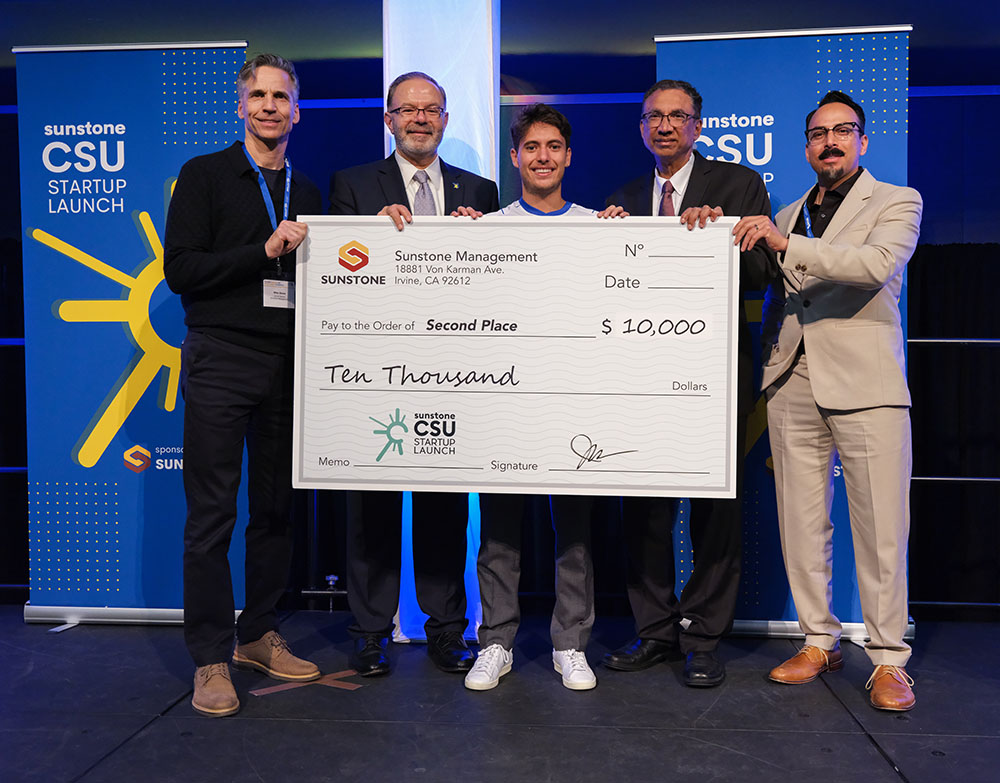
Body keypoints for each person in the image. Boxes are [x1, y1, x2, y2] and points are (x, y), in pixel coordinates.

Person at [733, 90, 922, 711]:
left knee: (881, 528)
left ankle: (890, 657)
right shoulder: (786, 211)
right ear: (807, 145)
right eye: (818, 134)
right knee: (801, 522)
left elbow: (873, 265)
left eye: (843, 131)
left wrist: (787, 245)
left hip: (867, 386)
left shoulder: (897, 201)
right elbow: (782, 303)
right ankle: (820, 639)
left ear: (863, 142)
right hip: (793, 384)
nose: (831, 142)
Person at [602, 79, 776, 687]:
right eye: (654, 117)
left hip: (717, 373)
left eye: (678, 116)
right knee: (644, 511)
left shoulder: (739, 184)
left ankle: (702, 635)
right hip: (640, 378)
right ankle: (653, 631)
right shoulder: (623, 196)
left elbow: (763, 273)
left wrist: (725, 230)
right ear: (642, 126)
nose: (666, 126)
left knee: (714, 510)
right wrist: (603, 240)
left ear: (698, 126)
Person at [164, 53, 322, 717]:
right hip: (222, 357)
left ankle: (257, 632)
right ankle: (210, 658)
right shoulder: (205, 175)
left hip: (291, 364)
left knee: (278, 508)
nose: (268, 106)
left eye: (279, 96)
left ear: (295, 107)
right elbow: (182, 271)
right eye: (257, 95)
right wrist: (262, 251)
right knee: (211, 516)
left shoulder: (307, 192)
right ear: (240, 105)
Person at [328, 71, 499, 677]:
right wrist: (372, 232)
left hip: (453, 369)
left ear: (447, 119)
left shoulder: (481, 189)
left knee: (444, 506)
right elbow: (337, 277)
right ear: (389, 119)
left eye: (432, 110)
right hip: (376, 370)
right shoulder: (351, 186)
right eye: (408, 110)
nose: (420, 119)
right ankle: (371, 632)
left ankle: (447, 630)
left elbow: (499, 280)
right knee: (370, 507)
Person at [456, 104, 625, 692]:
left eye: (554, 146)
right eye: (532, 147)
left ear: (569, 156)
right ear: (515, 157)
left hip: (574, 403)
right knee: (498, 530)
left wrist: (628, 242)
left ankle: (570, 644)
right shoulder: (489, 227)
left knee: (573, 533)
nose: (543, 156)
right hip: (504, 403)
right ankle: (496, 641)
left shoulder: (598, 225)